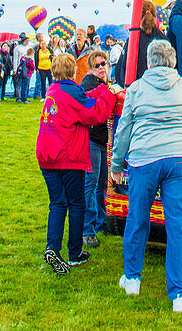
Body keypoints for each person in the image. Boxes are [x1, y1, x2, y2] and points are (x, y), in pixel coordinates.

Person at [111, 39, 182, 313]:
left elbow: (123, 130)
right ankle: (181, 294)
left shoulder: (135, 89)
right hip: (180, 157)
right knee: (177, 226)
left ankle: (133, 278)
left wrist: (116, 164)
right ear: (173, 62)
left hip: (143, 158)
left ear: (149, 62)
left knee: (137, 218)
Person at [38, 52, 118, 275]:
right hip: (67, 155)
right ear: (74, 71)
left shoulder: (54, 90)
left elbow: (83, 97)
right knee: (76, 203)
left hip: (47, 154)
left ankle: (52, 247)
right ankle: (74, 253)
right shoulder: (71, 90)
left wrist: (102, 89)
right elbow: (95, 113)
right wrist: (110, 94)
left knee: (57, 203)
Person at [81, 49, 112, 249]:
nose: (101, 68)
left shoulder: (104, 84)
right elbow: (96, 111)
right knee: (91, 186)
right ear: (91, 68)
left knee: (101, 184)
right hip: (91, 139)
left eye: (104, 64)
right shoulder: (89, 84)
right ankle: (87, 230)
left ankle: (102, 222)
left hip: (100, 140)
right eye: (97, 65)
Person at [115, 2, 165, 87]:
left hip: (139, 91)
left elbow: (121, 69)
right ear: (155, 17)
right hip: (162, 90)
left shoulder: (133, 40)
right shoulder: (164, 40)